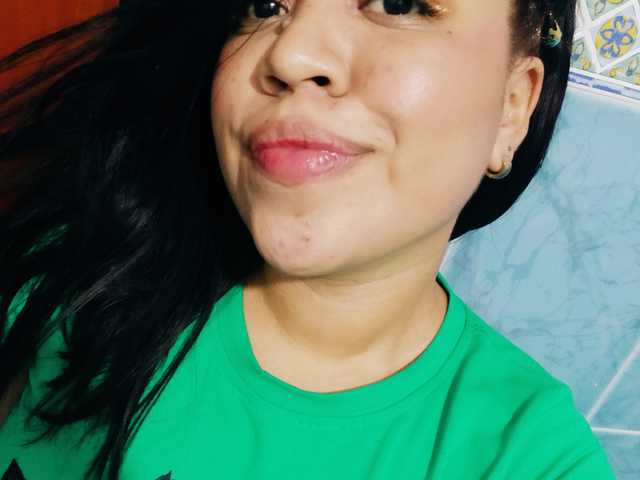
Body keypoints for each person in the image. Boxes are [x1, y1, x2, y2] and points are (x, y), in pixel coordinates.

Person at [0, 0, 617, 479]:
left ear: (512, 106)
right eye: (264, 5)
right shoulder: (75, 282)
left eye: (397, 3)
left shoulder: (530, 458)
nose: (290, 54)